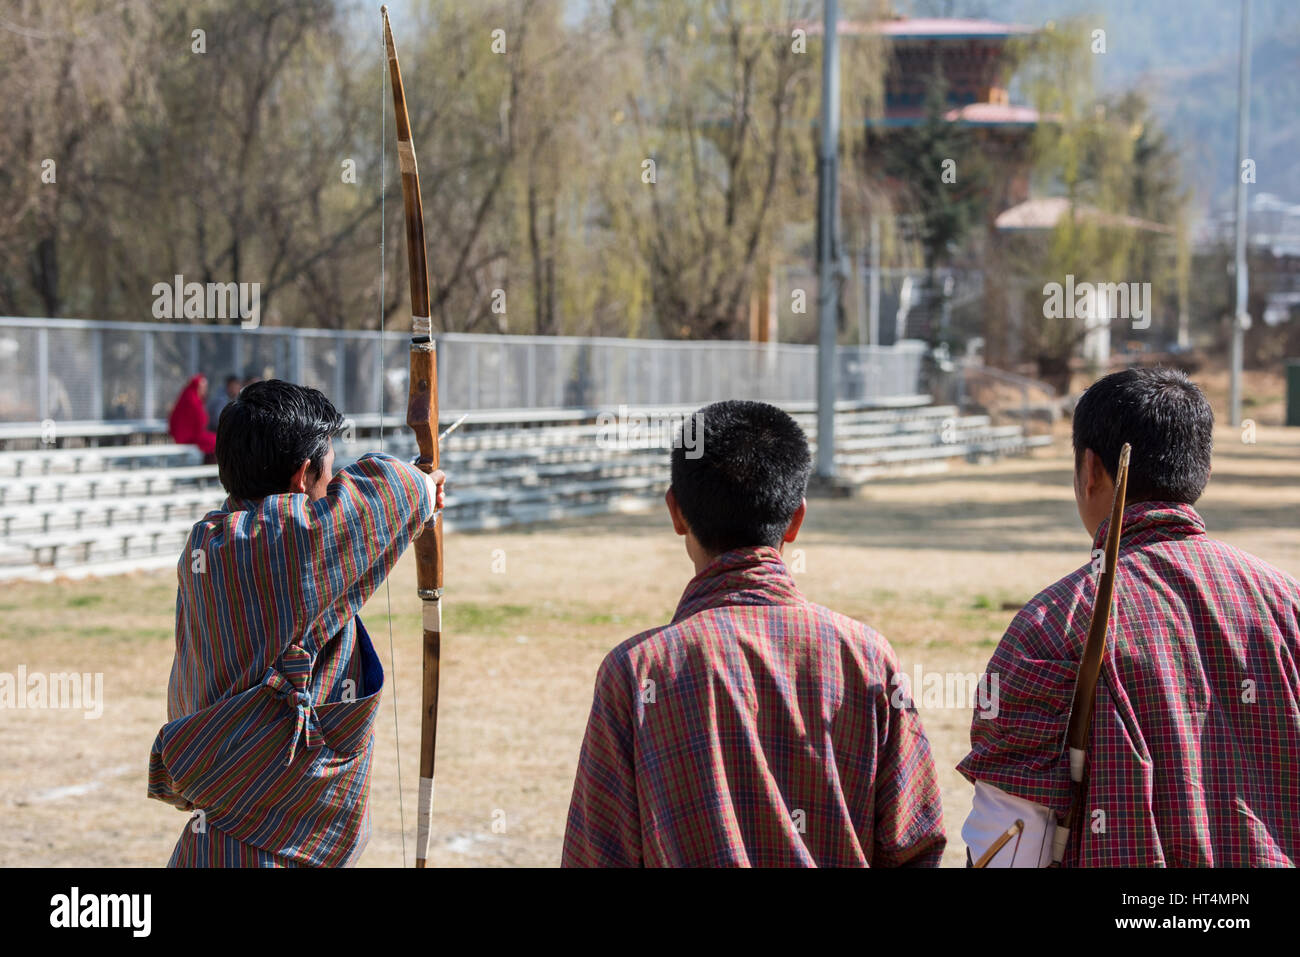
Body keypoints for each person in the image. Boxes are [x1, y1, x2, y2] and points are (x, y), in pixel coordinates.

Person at [562, 399, 946, 867]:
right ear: (797, 519)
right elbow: (916, 845)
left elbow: (598, 856)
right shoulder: (866, 656)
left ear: (675, 512)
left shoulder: (638, 671)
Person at [959, 367, 1300, 867]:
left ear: (1089, 470)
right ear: (1197, 470)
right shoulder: (1287, 605)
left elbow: (1009, 848)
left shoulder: (1053, 622)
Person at [148, 379, 446, 867]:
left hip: (210, 845)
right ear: (303, 474)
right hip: (271, 850)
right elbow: (391, 490)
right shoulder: (288, 543)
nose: (333, 484)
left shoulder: (207, 542)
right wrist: (423, 484)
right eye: (329, 471)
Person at [167, 374, 217, 461]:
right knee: (215, 441)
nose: (205, 390)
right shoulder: (192, 399)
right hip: (188, 436)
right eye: (203, 387)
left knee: (215, 440)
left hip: (191, 434)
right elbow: (200, 420)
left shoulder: (190, 396)